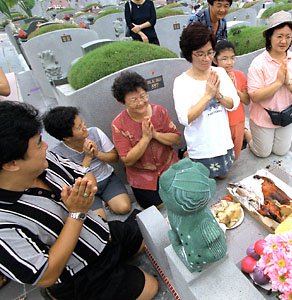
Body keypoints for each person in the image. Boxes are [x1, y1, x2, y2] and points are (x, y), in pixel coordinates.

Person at [0, 101, 158, 300]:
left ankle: (118, 264)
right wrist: (76, 213)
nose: (46, 146)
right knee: (150, 287)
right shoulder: (4, 222)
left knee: (143, 240)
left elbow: (85, 175)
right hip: (80, 273)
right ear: (12, 164)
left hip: (101, 232)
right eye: (39, 143)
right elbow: (46, 274)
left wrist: (84, 194)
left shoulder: (46, 161)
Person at [173, 23, 240, 178]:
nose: (207, 58)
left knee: (223, 176)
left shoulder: (220, 73)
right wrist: (208, 96)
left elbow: (234, 104)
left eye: (210, 52)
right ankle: (187, 156)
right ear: (189, 54)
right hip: (201, 146)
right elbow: (185, 118)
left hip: (222, 141)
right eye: (200, 54)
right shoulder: (181, 82)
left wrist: (219, 96)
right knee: (204, 181)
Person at [43, 106, 132, 217]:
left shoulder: (95, 132)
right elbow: (73, 179)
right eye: (79, 127)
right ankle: (100, 204)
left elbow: (114, 158)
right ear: (66, 137)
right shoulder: (57, 154)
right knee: (100, 218)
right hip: (85, 190)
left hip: (107, 179)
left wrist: (97, 154)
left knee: (124, 208)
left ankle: (107, 200)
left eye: (82, 122)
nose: (84, 127)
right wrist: (88, 157)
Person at [247, 11, 292, 158]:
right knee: (262, 153)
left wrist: (288, 81)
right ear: (270, 37)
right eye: (279, 36)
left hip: (287, 115)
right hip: (263, 116)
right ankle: (247, 133)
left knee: (281, 151)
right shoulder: (258, 63)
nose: (284, 41)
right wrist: (278, 83)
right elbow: (255, 96)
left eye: (288, 37)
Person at [111, 71, 180, 209]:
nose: (141, 102)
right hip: (142, 176)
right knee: (158, 205)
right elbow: (127, 160)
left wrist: (155, 135)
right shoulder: (118, 124)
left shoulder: (159, 111)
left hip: (169, 166)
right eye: (134, 100)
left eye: (143, 96)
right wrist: (145, 139)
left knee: (181, 196)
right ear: (122, 102)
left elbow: (176, 138)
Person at [213, 40, 250, 160]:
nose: (229, 63)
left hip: (239, 120)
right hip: (222, 123)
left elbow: (246, 100)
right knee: (224, 156)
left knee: (236, 153)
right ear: (215, 60)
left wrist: (235, 90)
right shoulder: (213, 78)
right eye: (224, 59)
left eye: (232, 58)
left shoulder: (239, 75)